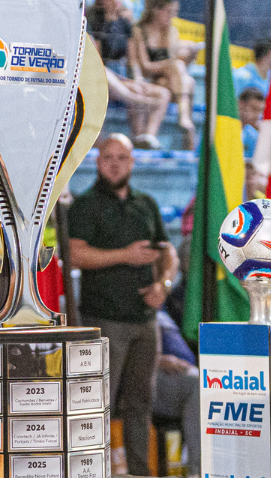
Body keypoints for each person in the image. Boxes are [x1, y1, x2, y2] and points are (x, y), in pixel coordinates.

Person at [67, 133, 178, 477]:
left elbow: (168, 253)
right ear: (97, 162)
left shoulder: (146, 203)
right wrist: (124, 255)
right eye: (108, 157)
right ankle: (93, 471)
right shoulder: (85, 205)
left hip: (145, 320)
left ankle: (140, 471)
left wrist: (164, 285)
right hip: (103, 318)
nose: (114, 164)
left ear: (132, 162)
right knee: (97, 403)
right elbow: (74, 255)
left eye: (121, 158)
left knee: (141, 403)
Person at [88, 0, 169, 146]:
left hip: (123, 77)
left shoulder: (125, 24)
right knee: (135, 91)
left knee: (162, 93)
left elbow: (132, 60)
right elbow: (97, 61)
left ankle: (147, 137)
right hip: (105, 77)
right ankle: (138, 123)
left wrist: (137, 78)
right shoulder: (95, 22)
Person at [129, 0, 200, 148]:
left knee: (186, 79)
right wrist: (170, 64)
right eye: (168, 11)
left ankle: (183, 127)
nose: (172, 16)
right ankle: (185, 121)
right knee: (181, 73)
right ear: (156, 10)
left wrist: (189, 54)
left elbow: (175, 61)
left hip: (167, 82)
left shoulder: (171, 31)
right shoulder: (140, 30)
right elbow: (145, 66)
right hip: (149, 79)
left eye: (174, 12)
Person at [152, 311, 200, 478]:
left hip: (183, 373)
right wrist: (159, 360)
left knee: (207, 382)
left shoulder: (166, 308)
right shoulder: (128, 311)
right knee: (197, 384)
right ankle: (196, 470)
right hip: (153, 375)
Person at [238, 87, 265, 159]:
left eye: (260, 111)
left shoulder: (253, 137)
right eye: (254, 109)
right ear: (241, 104)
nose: (258, 115)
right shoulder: (223, 129)